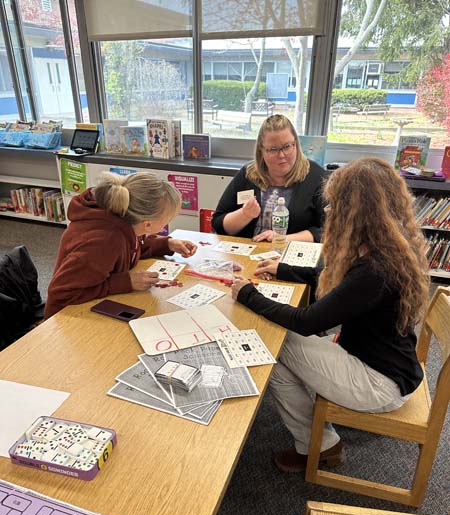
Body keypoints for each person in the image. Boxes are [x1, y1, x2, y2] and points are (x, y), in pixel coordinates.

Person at [231, 157, 429, 472]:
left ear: (358, 214)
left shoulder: (376, 270)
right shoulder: (388, 248)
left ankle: (321, 446)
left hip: (379, 383)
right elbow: (339, 287)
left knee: (274, 342)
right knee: (279, 351)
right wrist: (283, 268)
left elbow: (307, 322)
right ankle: (317, 438)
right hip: (384, 361)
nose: (328, 212)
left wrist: (247, 294)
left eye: (335, 206)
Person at [45, 172, 197, 318]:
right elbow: (61, 293)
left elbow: (132, 247)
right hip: (67, 318)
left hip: (95, 307)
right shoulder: (104, 241)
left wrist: (167, 244)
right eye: (167, 220)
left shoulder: (122, 219)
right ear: (147, 225)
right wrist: (125, 282)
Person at [212, 114, 325, 242]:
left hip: (290, 256)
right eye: (273, 149)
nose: (282, 155)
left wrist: (282, 239)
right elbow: (218, 225)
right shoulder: (248, 174)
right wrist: (244, 215)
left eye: (287, 147)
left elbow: (329, 230)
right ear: (261, 150)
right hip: (248, 254)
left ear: (296, 144)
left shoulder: (317, 177)